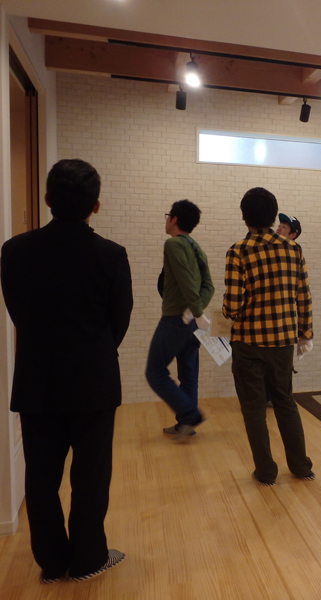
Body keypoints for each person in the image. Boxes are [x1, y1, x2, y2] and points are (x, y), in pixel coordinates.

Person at [0, 159, 133, 583]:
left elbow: (18, 311)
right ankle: (88, 559)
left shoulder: (14, 250)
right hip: (94, 381)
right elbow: (120, 319)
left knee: (40, 478)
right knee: (91, 477)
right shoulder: (111, 255)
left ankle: (52, 562)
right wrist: (94, 349)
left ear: (47, 199)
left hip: (37, 379)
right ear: (96, 205)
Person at [223, 188, 315, 486]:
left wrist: (224, 311)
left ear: (244, 217)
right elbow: (303, 296)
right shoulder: (293, 249)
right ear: (274, 217)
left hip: (248, 342)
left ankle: (266, 473)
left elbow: (233, 305)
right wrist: (305, 334)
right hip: (282, 342)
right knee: (285, 401)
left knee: (253, 410)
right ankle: (301, 467)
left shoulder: (238, 251)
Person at [145, 199, 214, 440]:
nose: (166, 220)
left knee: (155, 372)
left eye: (168, 216)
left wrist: (194, 310)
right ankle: (186, 425)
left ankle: (190, 414)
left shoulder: (173, 244)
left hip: (175, 319)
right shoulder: (197, 248)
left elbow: (185, 279)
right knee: (188, 374)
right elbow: (209, 286)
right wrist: (197, 312)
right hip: (193, 322)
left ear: (174, 219)